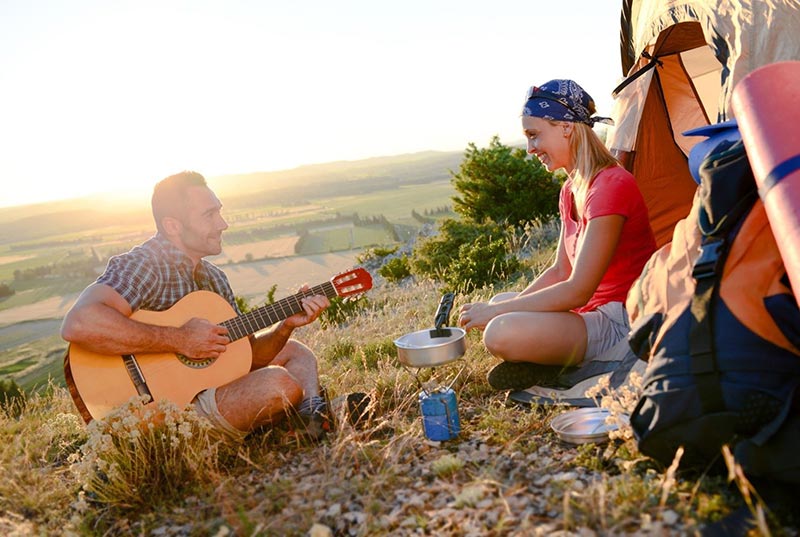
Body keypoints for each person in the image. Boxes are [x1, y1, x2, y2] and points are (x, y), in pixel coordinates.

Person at [61, 171, 351, 441]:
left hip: (209, 391)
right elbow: (80, 323)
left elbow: (246, 357)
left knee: (296, 352)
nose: (222, 223)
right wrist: (180, 339)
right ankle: (297, 420)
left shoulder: (214, 278)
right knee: (278, 385)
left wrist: (285, 325)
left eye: (220, 212)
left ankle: (313, 417)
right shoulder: (143, 264)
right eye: (210, 215)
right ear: (173, 226)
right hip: (160, 410)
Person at [458, 79, 657, 391]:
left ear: (565, 127)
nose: (530, 148)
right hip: (588, 312)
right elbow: (561, 270)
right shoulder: (571, 189)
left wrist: (495, 313)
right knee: (504, 302)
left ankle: (566, 363)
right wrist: (506, 307)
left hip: (619, 321)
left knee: (499, 329)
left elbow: (577, 289)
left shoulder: (611, 186)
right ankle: (544, 360)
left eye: (534, 135)